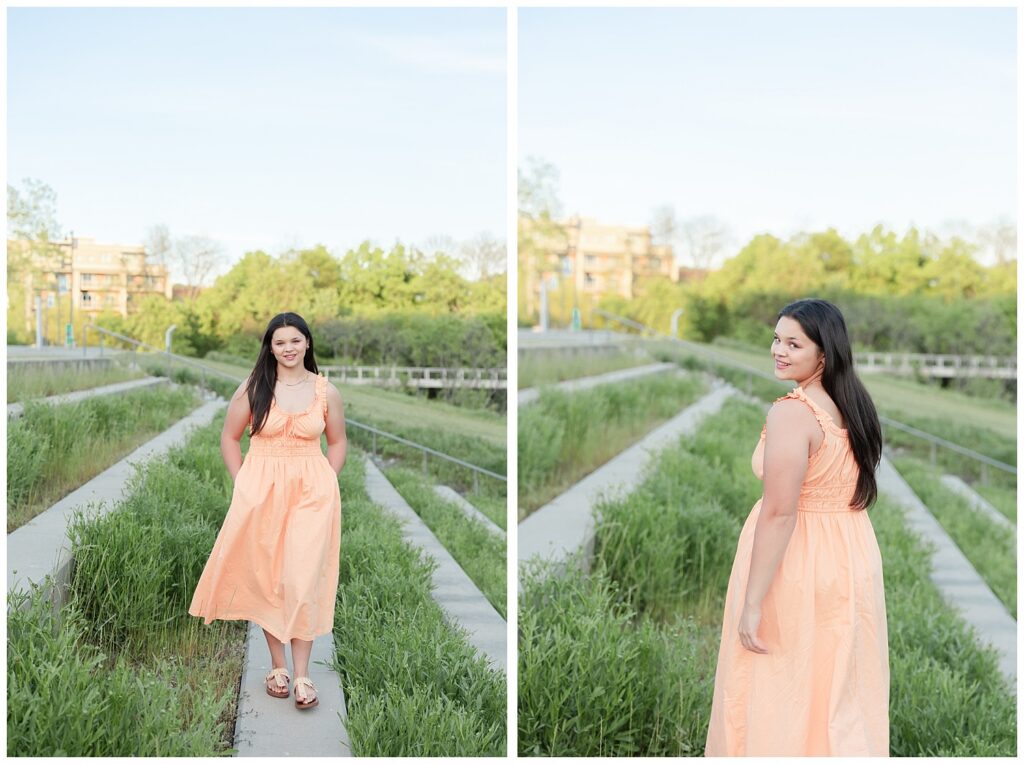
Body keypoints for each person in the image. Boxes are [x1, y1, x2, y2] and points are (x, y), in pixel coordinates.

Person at [704, 298, 889, 756]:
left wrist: (752, 600)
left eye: (793, 343)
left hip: (799, 565)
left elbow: (780, 512)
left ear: (823, 354)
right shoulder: (854, 406)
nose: (777, 351)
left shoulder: (793, 412)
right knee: (835, 687)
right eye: (776, 338)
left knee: (777, 685)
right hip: (850, 558)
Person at [189, 312, 347, 710]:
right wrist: (241, 482)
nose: (288, 348)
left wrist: (328, 478)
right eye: (280, 342)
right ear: (270, 347)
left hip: (312, 494)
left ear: (307, 343)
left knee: (302, 578)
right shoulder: (254, 387)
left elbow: (338, 441)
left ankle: (304, 674)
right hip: (260, 490)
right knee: (269, 579)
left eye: (295, 341)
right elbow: (229, 437)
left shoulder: (326, 391)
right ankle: (278, 667)